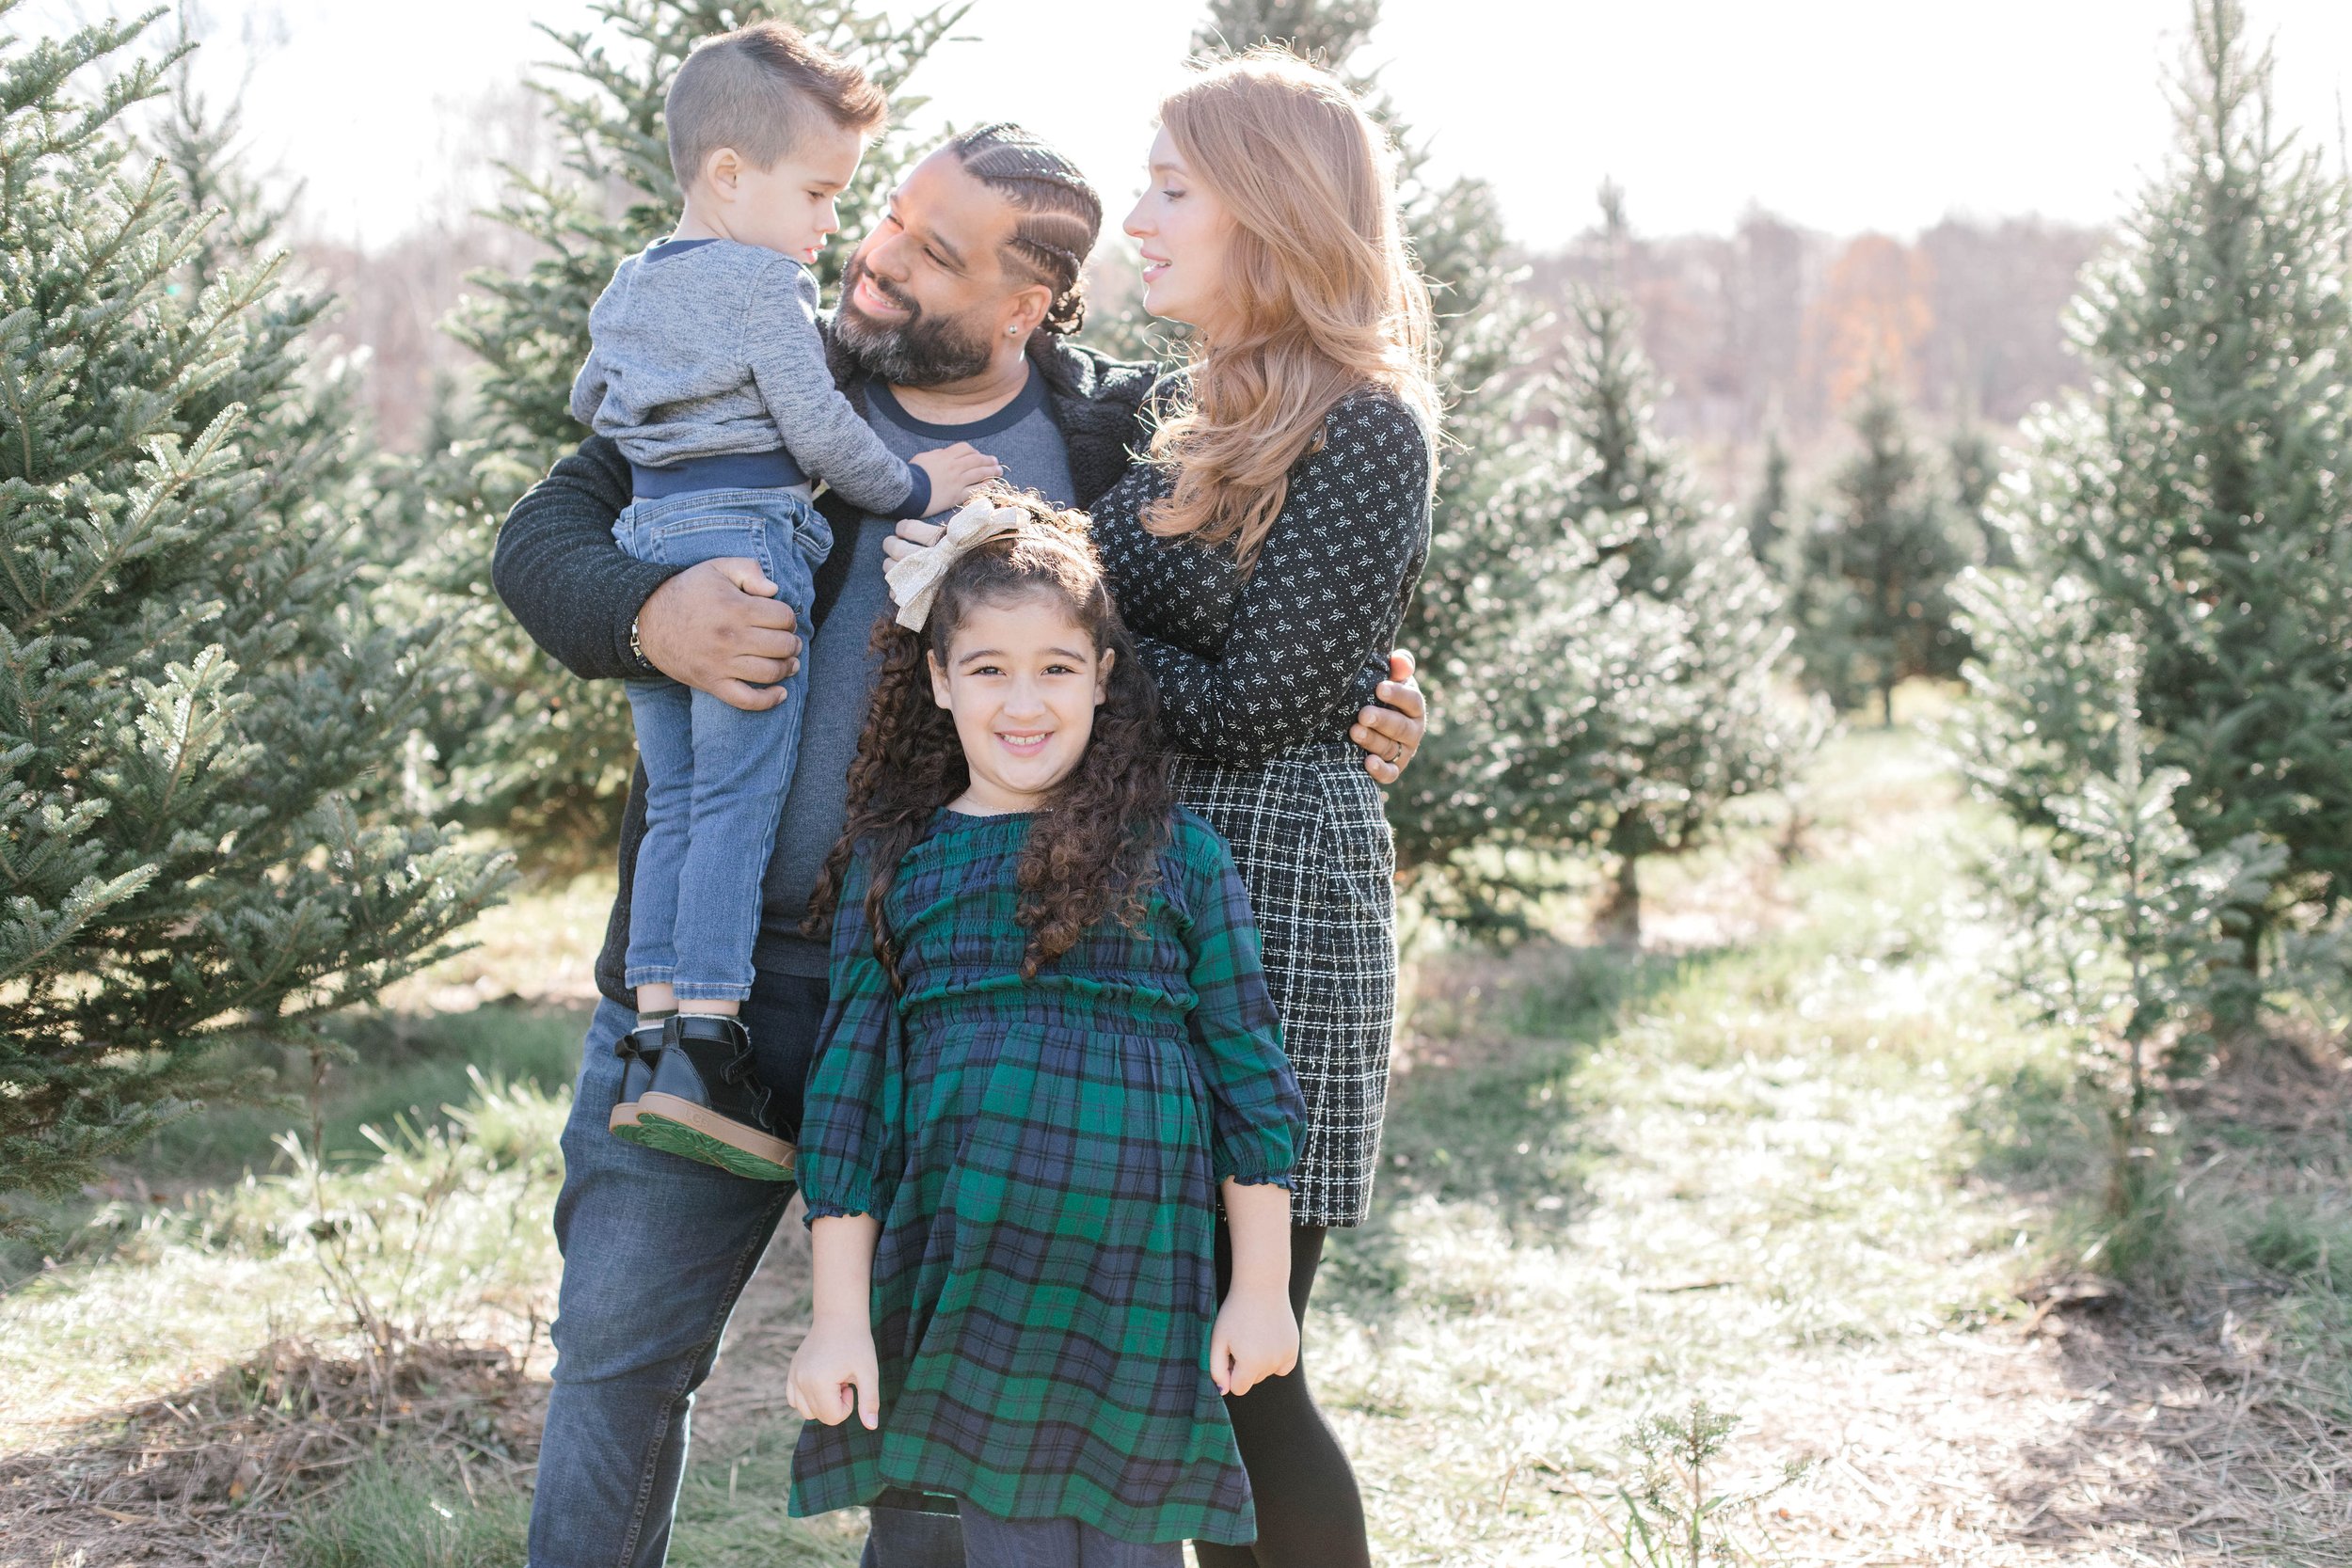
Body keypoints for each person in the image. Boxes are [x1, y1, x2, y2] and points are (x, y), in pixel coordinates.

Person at [492, 119, 1425, 1567]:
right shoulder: (752, 363)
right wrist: (645, 616)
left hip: (970, 989)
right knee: (618, 1359)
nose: (875, 258)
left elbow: (1254, 585)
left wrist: (1372, 698)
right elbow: (545, 534)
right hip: (710, 990)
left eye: (935, 251)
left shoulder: (1112, 428)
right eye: (886, 219)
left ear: (1023, 305)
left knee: (947, 1402)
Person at [886, 49, 1438, 1568]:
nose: (1142, 217)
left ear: (1268, 207)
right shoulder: (1165, 412)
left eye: (1172, 187)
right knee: (1152, 1356)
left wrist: (1085, 671)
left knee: (1247, 1363)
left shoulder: (1363, 428)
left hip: (1275, 899)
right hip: (1138, 881)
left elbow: (1272, 705)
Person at [785, 492, 1307, 1566]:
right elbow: (846, 1109)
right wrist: (837, 1315)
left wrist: (1258, 1289)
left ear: (1103, 676)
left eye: (1057, 667)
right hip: (976, 1289)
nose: (1024, 701)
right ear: (937, 679)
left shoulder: (1182, 859)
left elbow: (1250, 1081)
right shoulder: (898, 868)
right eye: (987, 668)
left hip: (1137, 1298)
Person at [568, 21, 1000, 1177]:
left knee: (675, 796)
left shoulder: (633, 280)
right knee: (739, 800)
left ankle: (659, 1021)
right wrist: (915, 483)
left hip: (652, 536)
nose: (827, 227)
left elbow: (589, 393)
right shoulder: (766, 285)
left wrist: (667, 414)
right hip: (748, 544)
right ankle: (710, 1038)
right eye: (817, 193)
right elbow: (821, 433)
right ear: (729, 175)